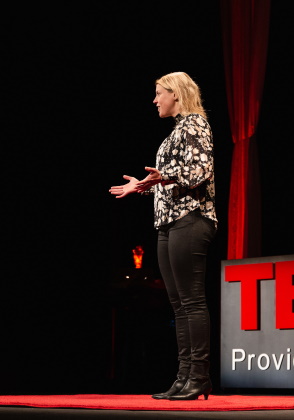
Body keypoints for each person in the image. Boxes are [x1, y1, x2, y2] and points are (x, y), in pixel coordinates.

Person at [109, 72, 217, 401]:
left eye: (159, 93)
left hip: (191, 218)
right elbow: (170, 181)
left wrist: (161, 177)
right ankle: (183, 378)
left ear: (176, 94)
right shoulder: (176, 131)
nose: (155, 100)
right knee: (178, 305)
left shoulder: (195, 124)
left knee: (191, 301)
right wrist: (143, 186)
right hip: (169, 222)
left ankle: (199, 376)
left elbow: (200, 173)